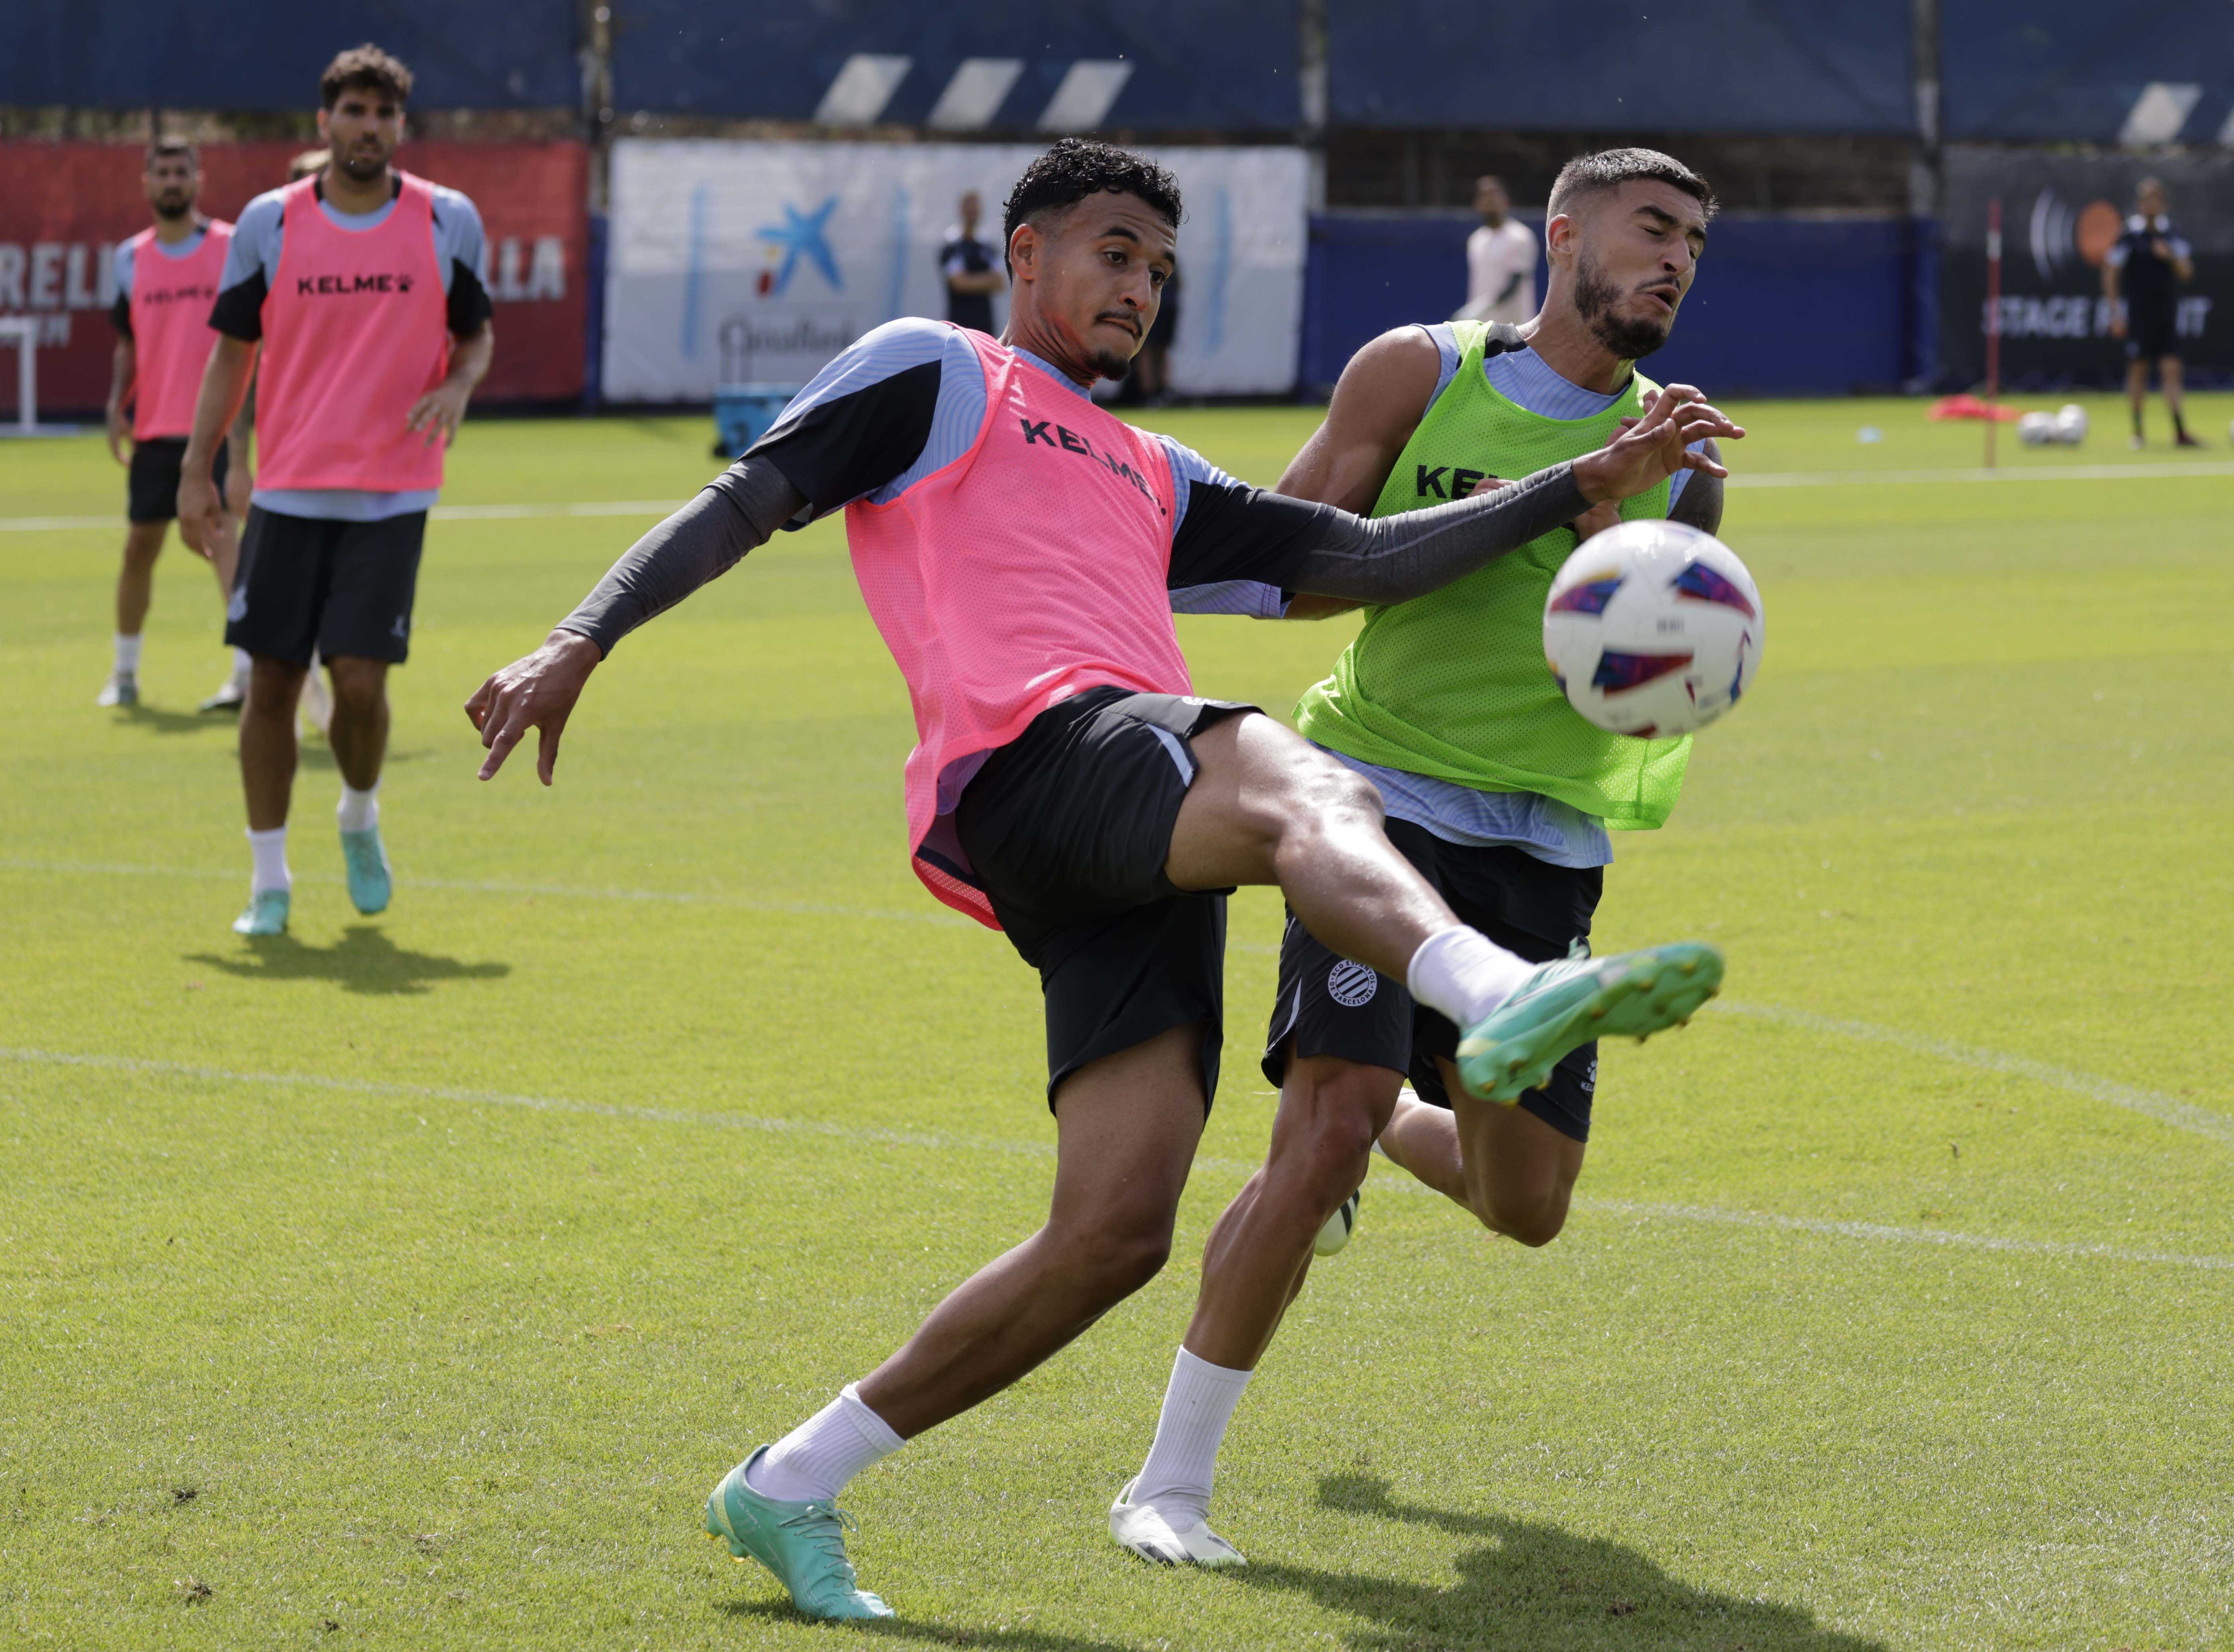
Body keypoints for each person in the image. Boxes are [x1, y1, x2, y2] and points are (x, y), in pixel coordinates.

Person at [465, 139, 1737, 1622]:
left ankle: (789, 1481)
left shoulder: (1153, 467)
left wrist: (1579, 485)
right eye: (1113, 253)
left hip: (1129, 829)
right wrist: (582, 635)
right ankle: (1492, 989)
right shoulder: (940, 370)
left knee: (1117, 1231)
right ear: (1026, 255)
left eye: (1157, 268)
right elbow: (749, 498)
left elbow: (1362, 558)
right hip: (1038, 755)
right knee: (1310, 783)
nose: (1138, 287)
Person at [1109, 149, 1738, 1569]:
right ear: (1561, 235)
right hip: (1371, 801)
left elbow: (1646, 683)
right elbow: (1286, 570)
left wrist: (1633, 557)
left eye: (1693, 244)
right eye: (1651, 230)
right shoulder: (1420, 372)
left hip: (1547, 837)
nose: (1675, 261)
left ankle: (1395, 1118)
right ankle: (1167, 1486)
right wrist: (1540, 498)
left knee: (1526, 1206)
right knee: (1318, 1124)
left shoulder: (1682, 455)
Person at [176, 43, 495, 937]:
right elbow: (232, 353)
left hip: (393, 495)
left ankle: (358, 815)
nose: (368, 127)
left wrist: (459, 385)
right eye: (353, 112)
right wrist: (199, 469)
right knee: (272, 684)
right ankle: (269, 883)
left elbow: (476, 334)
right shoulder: (269, 222)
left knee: (357, 683)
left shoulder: (447, 219)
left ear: (401, 126)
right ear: (325, 123)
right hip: (286, 493)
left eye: (383, 114)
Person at [99, 138, 252, 711]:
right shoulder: (129, 258)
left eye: (179, 172)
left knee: (224, 545)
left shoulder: (231, 245)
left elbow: (250, 342)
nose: (171, 182)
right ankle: (124, 673)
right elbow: (128, 342)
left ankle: (245, 675)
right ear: (146, 183)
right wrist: (118, 401)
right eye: (161, 173)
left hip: (215, 427)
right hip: (154, 430)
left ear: (197, 179)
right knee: (139, 549)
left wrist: (241, 450)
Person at [2104, 178, 2199, 449]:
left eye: (2156, 199)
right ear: (2139, 204)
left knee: (2172, 370)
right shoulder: (2129, 236)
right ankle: (2138, 433)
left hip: (2166, 316)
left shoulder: (2172, 235)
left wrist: (2169, 256)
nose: (2151, 204)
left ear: (2164, 204)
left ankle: (2180, 432)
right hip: (2139, 317)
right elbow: (2111, 273)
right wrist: (2115, 313)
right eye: (2147, 199)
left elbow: (2187, 273)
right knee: (2138, 371)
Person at [1456, 175, 1537, 327]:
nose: (1490, 201)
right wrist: (1474, 310)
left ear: (1506, 200)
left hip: (1515, 327)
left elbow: (1516, 282)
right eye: (1484, 196)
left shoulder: (1520, 236)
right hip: (1483, 327)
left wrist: (1485, 305)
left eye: (1494, 195)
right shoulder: (1476, 239)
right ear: (1477, 203)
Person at [939, 190, 1004, 334]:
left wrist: (970, 280)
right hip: (959, 327)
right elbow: (959, 283)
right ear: (962, 210)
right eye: (969, 209)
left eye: (976, 210)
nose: (973, 214)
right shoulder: (952, 245)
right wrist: (987, 281)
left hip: (985, 328)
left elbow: (1000, 283)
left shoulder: (987, 246)